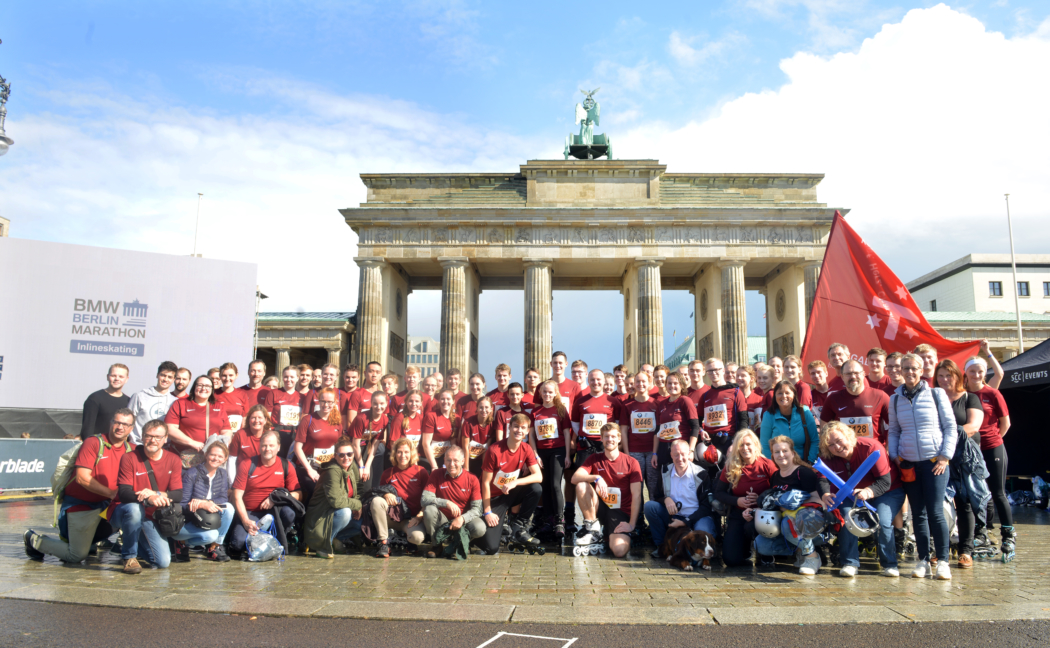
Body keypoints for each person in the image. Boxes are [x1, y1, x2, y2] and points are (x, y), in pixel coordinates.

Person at [24, 408, 135, 565]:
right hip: (82, 505)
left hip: (106, 506)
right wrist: (112, 493)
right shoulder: (94, 442)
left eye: (125, 424)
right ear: (110, 423)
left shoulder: (132, 450)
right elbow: (82, 478)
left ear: (131, 428)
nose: (120, 427)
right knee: (76, 555)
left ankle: (96, 542)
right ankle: (33, 539)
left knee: (133, 511)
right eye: (117, 422)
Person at [821, 421, 905, 578]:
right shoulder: (828, 456)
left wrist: (868, 491)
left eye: (839, 440)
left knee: (882, 521)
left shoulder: (871, 448)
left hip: (888, 491)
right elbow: (822, 478)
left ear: (849, 436)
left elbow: (885, 482)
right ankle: (849, 562)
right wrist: (825, 494)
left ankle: (890, 564)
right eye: (831, 445)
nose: (837, 447)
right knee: (847, 517)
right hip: (852, 494)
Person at [112, 419, 183, 573]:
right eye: (149, 436)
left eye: (158, 437)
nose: (153, 440)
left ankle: (127, 542)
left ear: (165, 439)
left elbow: (178, 494)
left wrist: (154, 494)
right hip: (125, 511)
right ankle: (129, 557)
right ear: (142, 437)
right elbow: (124, 493)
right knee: (134, 509)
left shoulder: (174, 459)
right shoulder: (129, 458)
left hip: (152, 517)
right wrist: (147, 498)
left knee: (163, 562)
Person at [936, 358, 985, 569]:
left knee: (965, 503)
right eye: (940, 376)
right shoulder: (933, 398)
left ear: (957, 376)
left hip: (964, 458)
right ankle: (941, 549)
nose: (945, 379)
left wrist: (947, 435)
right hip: (939, 457)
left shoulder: (969, 397)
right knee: (940, 503)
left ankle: (966, 550)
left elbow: (973, 426)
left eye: (949, 375)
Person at [754, 436, 827, 575]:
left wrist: (793, 504)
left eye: (784, 451)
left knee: (788, 524)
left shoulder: (803, 472)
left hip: (808, 524)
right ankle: (800, 550)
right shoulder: (775, 476)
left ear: (793, 453)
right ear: (772, 456)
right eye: (777, 452)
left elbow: (820, 501)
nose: (781, 455)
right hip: (783, 525)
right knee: (761, 545)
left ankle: (812, 556)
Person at [965, 353, 1014, 556]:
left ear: (985, 373)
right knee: (975, 493)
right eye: (972, 371)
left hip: (992, 447)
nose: (976, 375)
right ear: (966, 373)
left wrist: (993, 440)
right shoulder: (962, 394)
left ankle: (1008, 535)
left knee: (998, 492)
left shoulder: (992, 393)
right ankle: (981, 532)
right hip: (970, 450)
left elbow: (1005, 423)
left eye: (980, 371)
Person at [572, 423, 643, 558]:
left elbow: (637, 495)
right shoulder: (594, 458)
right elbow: (574, 478)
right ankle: (593, 530)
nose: (610, 439)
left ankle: (610, 535)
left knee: (619, 551)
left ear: (619, 438)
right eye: (606, 437)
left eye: (613, 436)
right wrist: (596, 477)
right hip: (599, 508)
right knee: (581, 485)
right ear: (601, 439)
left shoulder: (631, 462)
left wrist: (631, 525)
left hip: (620, 512)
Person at [478, 413, 544, 555]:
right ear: (509, 427)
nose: (519, 430)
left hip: (510, 493)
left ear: (527, 431)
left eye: (523, 428)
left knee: (536, 489)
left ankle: (519, 528)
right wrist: (487, 511)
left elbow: (538, 476)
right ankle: (478, 533)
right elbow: (485, 482)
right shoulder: (494, 450)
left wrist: (515, 482)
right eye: (516, 427)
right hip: (493, 499)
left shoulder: (526, 448)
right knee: (491, 548)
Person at [230, 430, 301, 557]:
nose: (267, 449)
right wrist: (245, 521)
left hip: (275, 512)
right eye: (264, 445)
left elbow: (297, 494)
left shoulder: (286, 465)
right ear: (259, 447)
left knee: (289, 513)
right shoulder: (247, 464)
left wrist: (275, 499)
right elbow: (237, 496)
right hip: (251, 512)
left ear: (278, 447)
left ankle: (277, 538)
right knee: (238, 543)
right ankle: (260, 538)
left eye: (271, 445)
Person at [713, 430, 778, 568]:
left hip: (763, 513)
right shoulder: (731, 466)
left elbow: (777, 491)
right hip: (739, 513)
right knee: (730, 560)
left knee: (750, 527)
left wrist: (760, 500)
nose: (745, 448)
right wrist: (737, 501)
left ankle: (764, 551)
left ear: (755, 445)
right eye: (741, 445)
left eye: (748, 444)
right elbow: (719, 493)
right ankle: (745, 550)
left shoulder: (767, 464)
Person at [643, 439, 715, 558]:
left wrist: (686, 521)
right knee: (650, 507)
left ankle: (703, 555)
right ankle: (661, 546)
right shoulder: (665, 471)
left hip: (697, 517)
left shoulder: (701, 474)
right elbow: (656, 496)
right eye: (676, 454)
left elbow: (706, 507)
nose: (680, 458)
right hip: (674, 516)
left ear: (689, 454)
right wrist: (666, 499)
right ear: (671, 455)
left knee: (703, 531)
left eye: (683, 454)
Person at [170, 441, 234, 562]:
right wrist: (200, 505)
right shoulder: (191, 474)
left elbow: (223, 498)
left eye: (220, 456)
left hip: (207, 517)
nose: (216, 458)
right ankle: (182, 543)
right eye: (212, 455)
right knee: (211, 535)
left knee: (229, 508)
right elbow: (182, 504)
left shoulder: (222, 473)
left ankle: (214, 547)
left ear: (225, 459)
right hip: (188, 520)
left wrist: (205, 502)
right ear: (206, 455)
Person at [419, 445, 485, 556]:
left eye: (456, 460)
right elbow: (424, 499)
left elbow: (477, 509)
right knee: (429, 510)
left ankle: (461, 543)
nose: (451, 464)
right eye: (448, 460)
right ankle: (436, 545)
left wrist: (462, 518)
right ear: (444, 460)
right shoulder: (436, 474)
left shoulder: (472, 478)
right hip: (442, 519)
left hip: (463, 519)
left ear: (463, 461)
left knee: (480, 528)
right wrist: (446, 503)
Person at [303, 436, 362, 559]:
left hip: (336, 513)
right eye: (341, 455)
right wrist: (357, 505)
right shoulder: (332, 471)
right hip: (321, 515)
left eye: (349, 454)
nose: (346, 458)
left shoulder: (352, 467)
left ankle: (335, 538)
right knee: (345, 513)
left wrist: (359, 505)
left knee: (363, 523)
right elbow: (336, 501)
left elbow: (357, 491)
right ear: (335, 456)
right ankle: (323, 545)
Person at [530, 379, 573, 540]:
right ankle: (548, 520)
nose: (547, 394)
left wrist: (567, 455)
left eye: (550, 392)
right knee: (545, 486)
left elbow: (567, 433)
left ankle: (559, 520)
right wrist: (535, 455)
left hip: (558, 450)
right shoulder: (535, 412)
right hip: (542, 452)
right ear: (540, 393)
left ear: (555, 393)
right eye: (544, 392)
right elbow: (531, 435)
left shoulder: (560, 409)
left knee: (555, 484)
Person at [373, 438, 429, 557]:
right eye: (399, 452)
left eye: (406, 452)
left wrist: (419, 517)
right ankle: (384, 542)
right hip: (392, 517)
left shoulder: (421, 472)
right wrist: (386, 494)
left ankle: (406, 539)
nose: (403, 455)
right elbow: (378, 492)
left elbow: (429, 499)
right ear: (395, 454)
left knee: (417, 538)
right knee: (377, 501)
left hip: (412, 519)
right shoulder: (388, 473)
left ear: (412, 453)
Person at [818, 360, 890, 446]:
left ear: (863, 374)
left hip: (873, 451)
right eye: (848, 374)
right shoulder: (833, 398)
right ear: (842, 377)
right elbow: (824, 430)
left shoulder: (880, 396)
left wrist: (888, 449)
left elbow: (894, 426)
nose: (853, 376)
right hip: (843, 451)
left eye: (856, 373)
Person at [292, 388, 344, 506]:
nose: (326, 405)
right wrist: (309, 469)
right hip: (309, 465)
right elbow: (297, 448)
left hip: (328, 465)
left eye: (329, 402)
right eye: (323, 401)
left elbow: (338, 446)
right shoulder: (308, 420)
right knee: (316, 491)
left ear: (334, 403)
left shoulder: (337, 422)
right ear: (318, 401)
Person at [618, 371, 660, 507]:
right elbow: (623, 431)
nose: (640, 384)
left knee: (653, 487)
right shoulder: (627, 405)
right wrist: (627, 454)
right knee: (637, 487)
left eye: (643, 381)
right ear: (634, 384)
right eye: (638, 381)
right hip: (634, 452)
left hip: (652, 452)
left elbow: (658, 430)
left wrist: (655, 452)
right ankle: (639, 517)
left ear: (649, 383)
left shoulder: (656, 404)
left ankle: (654, 514)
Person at [165, 375, 232, 459]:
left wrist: (220, 446)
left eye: (207, 386)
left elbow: (226, 431)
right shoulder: (180, 404)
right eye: (200, 385)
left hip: (210, 458)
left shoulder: (219, 407)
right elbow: (169, 428)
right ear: (194, 387)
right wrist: (192, 442)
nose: (203, 388)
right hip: (184, 457)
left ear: (212, 390)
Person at [697, 358, 749, 454]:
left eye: (717, 369)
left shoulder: (736, 392)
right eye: (710, 371)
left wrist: (737, 443)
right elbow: (697, 421)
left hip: (729, 441)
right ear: (707, 373)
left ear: (723, 370)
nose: (713, 373)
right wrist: (701, 431)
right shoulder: (705, 396)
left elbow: (744, 420)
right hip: (709, 442)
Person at [760, 380, 819, 464]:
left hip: (803, 463)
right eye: (780, 393)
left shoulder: (804, 412)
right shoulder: (768, 415)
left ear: (794, 394)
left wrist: (810, 461)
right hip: (778, 465)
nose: (784, 396)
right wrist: (773, 466)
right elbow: (764, 445)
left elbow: (815, 440)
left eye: (787, 393)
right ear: (775, 396)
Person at [655, 373, 700, 472]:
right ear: (666, 385)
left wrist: (691, 450)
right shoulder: (661, 404)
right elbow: (657, 430)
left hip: (680, 449)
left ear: (682, 385)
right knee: (665, 479)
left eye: (676, 383)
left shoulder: (685, 400)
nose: (672, 386)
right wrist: (654, 453)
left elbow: (695, 427)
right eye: (669, 383)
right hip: (664, 448)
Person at [348, 390, 390, 493]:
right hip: (353, 447)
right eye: (375, 403)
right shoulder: (362, 418)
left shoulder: (385, 419)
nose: (378, 407)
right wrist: (361, 466)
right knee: (358, 477)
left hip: (367, 447)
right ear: (371, 403)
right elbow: (355, 445)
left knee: (367, 478)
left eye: (382, 403)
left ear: (386, 404)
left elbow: (375, 444)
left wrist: (367, 465)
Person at [127, 361, 179, 444]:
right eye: (163, 375)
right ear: (157, 375)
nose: (165, 379)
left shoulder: (175, 402)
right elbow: (128, 421)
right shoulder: (140, 396)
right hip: (138, 445)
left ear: (174, 379)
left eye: (169, 377)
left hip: (163, 447)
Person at [80, 364, 130, 440]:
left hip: (120, 445)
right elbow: (87, 429)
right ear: (107, 377)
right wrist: (91, 445)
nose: (117, 379)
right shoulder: (95, 398)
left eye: (121, 376)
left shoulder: (129, 401)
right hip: (98, 444)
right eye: (113, 375)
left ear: (126, 379)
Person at [263, 366, 302, 458]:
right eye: (286, 377)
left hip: (294, 434)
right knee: (277, 460)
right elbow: (267, 416)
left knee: (292, 462)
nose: (288, 379)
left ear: (297, 378)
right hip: (277, 433)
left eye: (292, 377)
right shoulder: (273, 393)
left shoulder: (302, 397)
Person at [458, 396, 497, 477]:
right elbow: (465, 447)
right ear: (477, 408)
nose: (484, 410)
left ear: (491, 409)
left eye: (486, 407)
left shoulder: (492, 424)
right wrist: (466, 469)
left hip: (481, 459)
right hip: (467, 459)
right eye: (481, 407)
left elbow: (486, 448)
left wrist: (484, 469)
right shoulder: (468, 422)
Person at [421, 389, 456, 470]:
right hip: (430, 458)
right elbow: (425, 443)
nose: (445, 401)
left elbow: (453, 443)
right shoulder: (431, 416)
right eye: (442, 399)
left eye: (448, 399)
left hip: (445, 458)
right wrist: (434, 466)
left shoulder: (456, 418)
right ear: (439, 401)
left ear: (453, 401)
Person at [214, 362, 251, 437]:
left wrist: (241, 436)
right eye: (224, 375)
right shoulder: (214, 394)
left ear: (236, 375)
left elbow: (245, 418)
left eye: (231, 375)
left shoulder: (242, 394)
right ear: (220, 376)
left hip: (236, 435)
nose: (227, 379)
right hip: (219, 435)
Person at [736, 365, 762, 429]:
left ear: (752, 378)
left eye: (743, 375)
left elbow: (758, 425)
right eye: (737, 375)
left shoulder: (759, 399)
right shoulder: (732, 398)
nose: (739, 378)